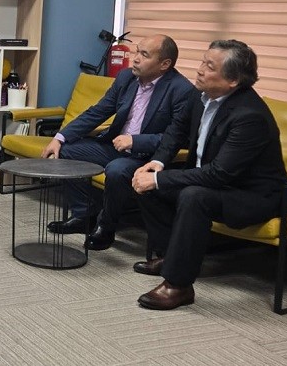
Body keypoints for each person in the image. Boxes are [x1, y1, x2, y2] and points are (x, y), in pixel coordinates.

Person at [130, 39, 287, 310]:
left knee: (193, 196)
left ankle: (178, 285)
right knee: (146, 183)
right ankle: (172, 257)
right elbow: (176, 131)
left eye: (210, 66)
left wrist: (158, 179)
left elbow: (219, 175)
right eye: (203, 61)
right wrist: (156, 163)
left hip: (254, 195)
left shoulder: (249, 116)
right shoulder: (200, 96)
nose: (200, 69)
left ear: (233, 80)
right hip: (216, 182)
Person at [40, 34, 194, 250]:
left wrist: (136, 141)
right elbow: (98, 112)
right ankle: (84, 214)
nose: (136, 58)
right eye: (137, 51)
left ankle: (106, 227)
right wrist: (59, 137)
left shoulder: (182, 90)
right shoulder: (126, 78)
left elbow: (178, 138)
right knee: (67, 151)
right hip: (114, 147)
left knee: (116, 169)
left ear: (164, 64)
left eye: (144, 54)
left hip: (147, 157)